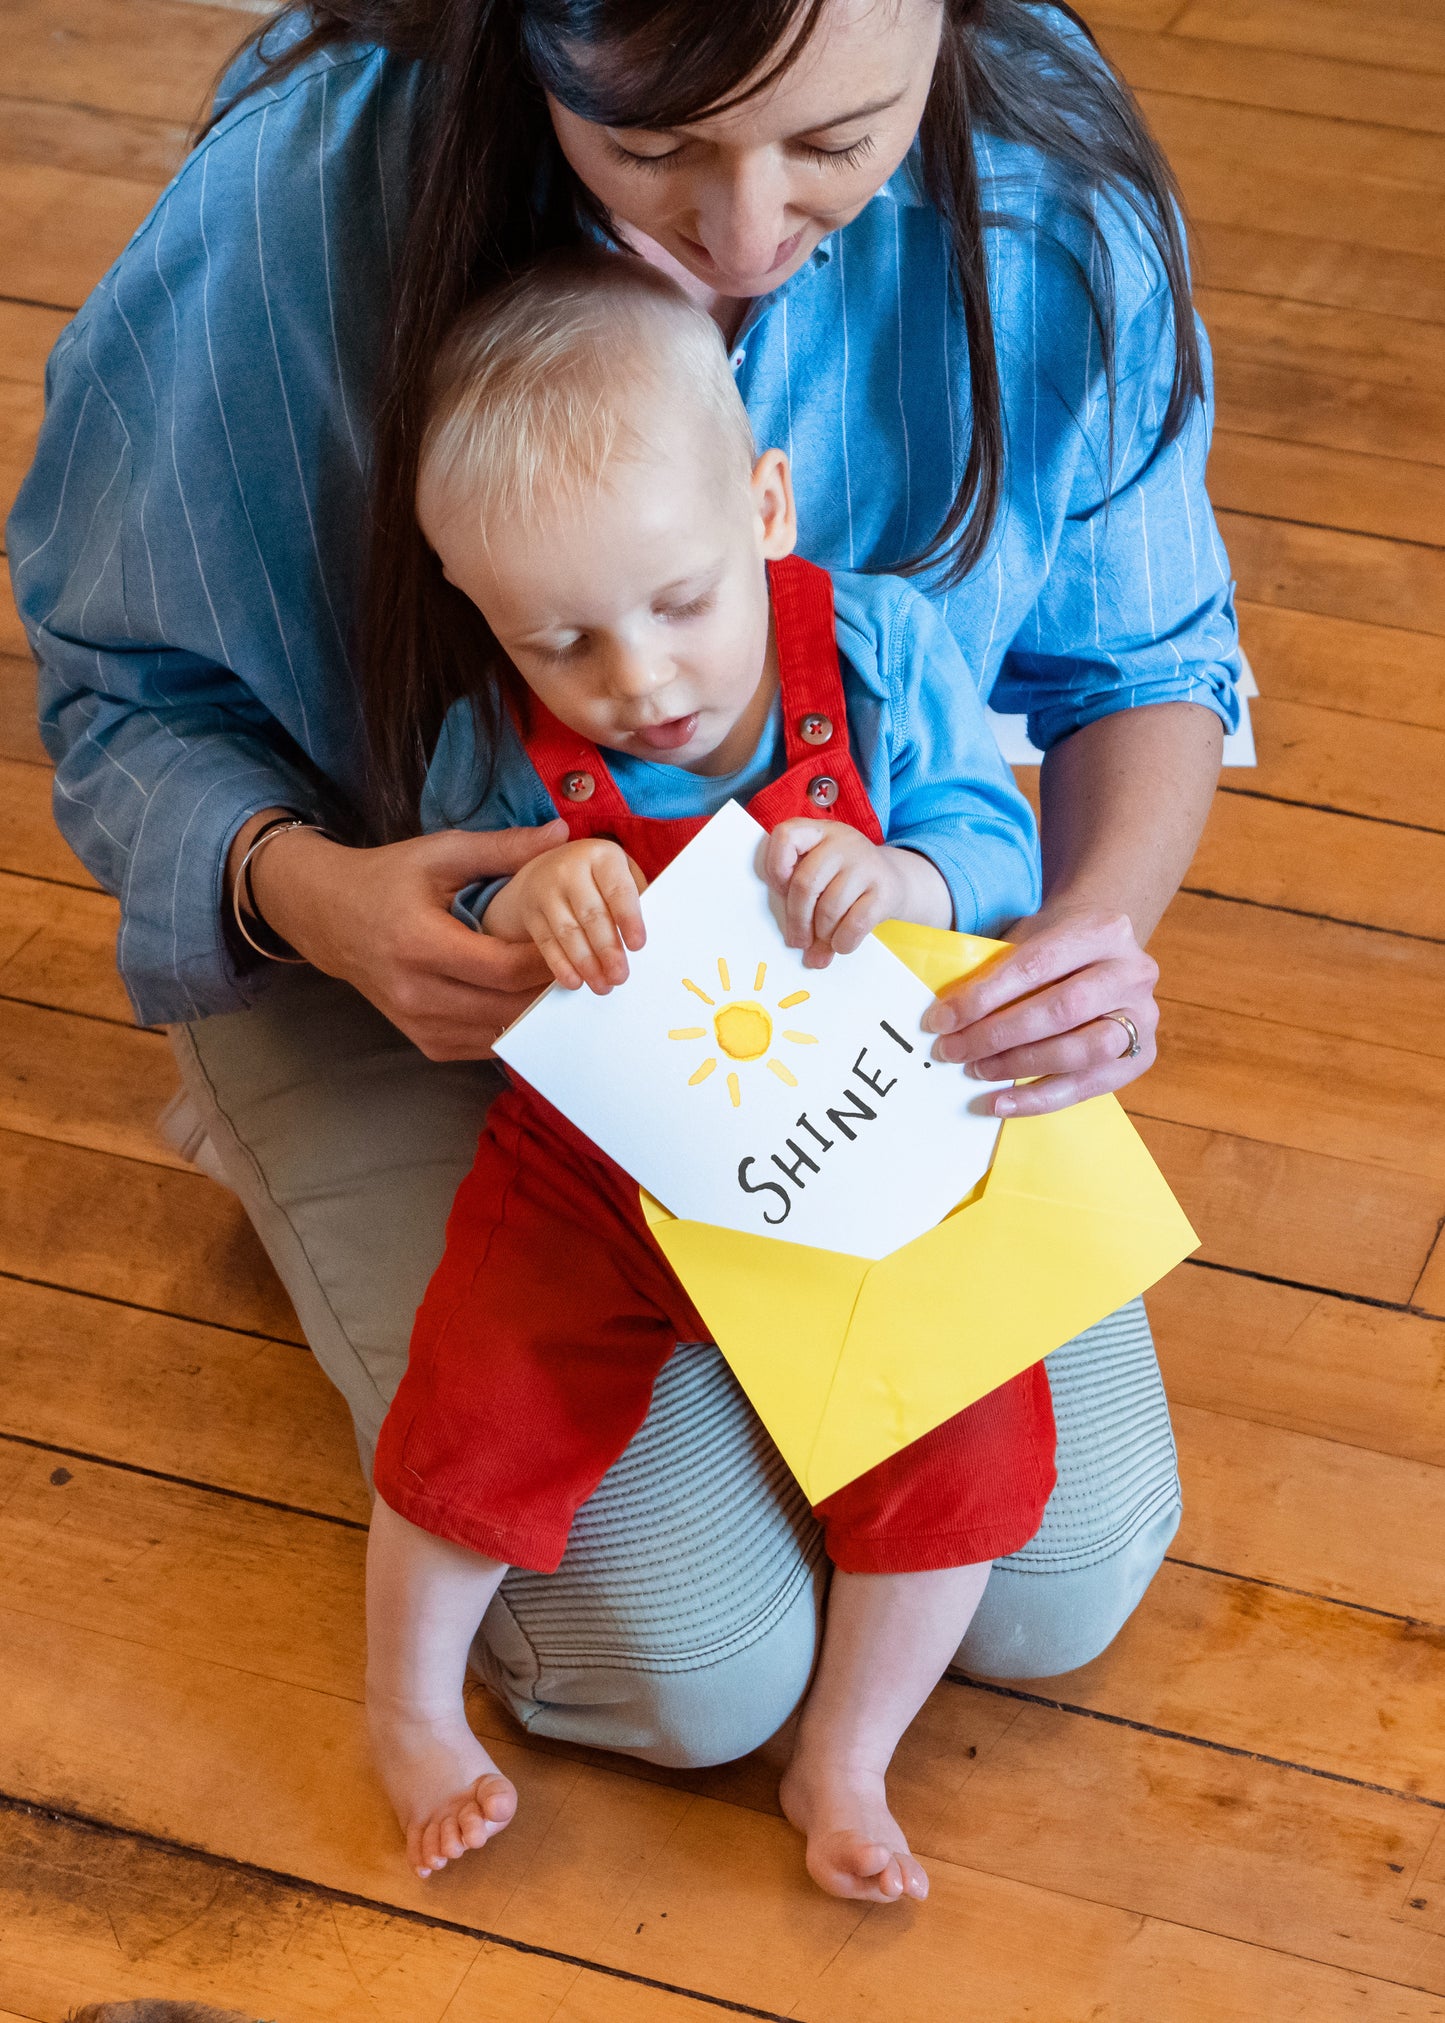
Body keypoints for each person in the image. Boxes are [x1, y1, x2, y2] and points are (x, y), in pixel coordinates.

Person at [8, 0, 1239, 1768]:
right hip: (430, 988)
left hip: (843, 1029)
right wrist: (310, 898)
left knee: (1054, 1576)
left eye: (836, 143)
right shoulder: (293, 196)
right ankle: (267, 1127)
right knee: (695, 1667)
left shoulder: (1048, 179)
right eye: (652, 143)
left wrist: (1076, 928)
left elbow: (1144, 659)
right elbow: (125, 695)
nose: (740, 237)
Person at [366, 250, 1055, 1901]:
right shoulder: (500, 731)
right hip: (596, 1169)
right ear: (482, 611)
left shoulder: (873, 649)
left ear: (764, 505)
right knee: (475, 1403)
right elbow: (458, 895)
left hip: (859, 1139)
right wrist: (525, 899)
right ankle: (406, 1711)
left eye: (679, 605)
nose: (639, 682)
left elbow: (996, 843)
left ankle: (847, 1755)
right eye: (562, 641)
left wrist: (902, 878)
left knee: (965, 1433)